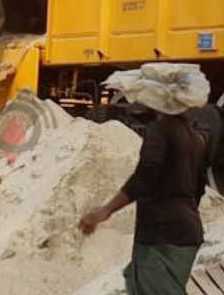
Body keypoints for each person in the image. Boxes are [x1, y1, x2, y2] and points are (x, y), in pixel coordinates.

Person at [78, 65, 209, 295]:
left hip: (162, 236)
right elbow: (199, 190)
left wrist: (105, 211)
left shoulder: (159, 130)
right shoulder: (194, 137)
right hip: (186, 234)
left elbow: (145, 175)